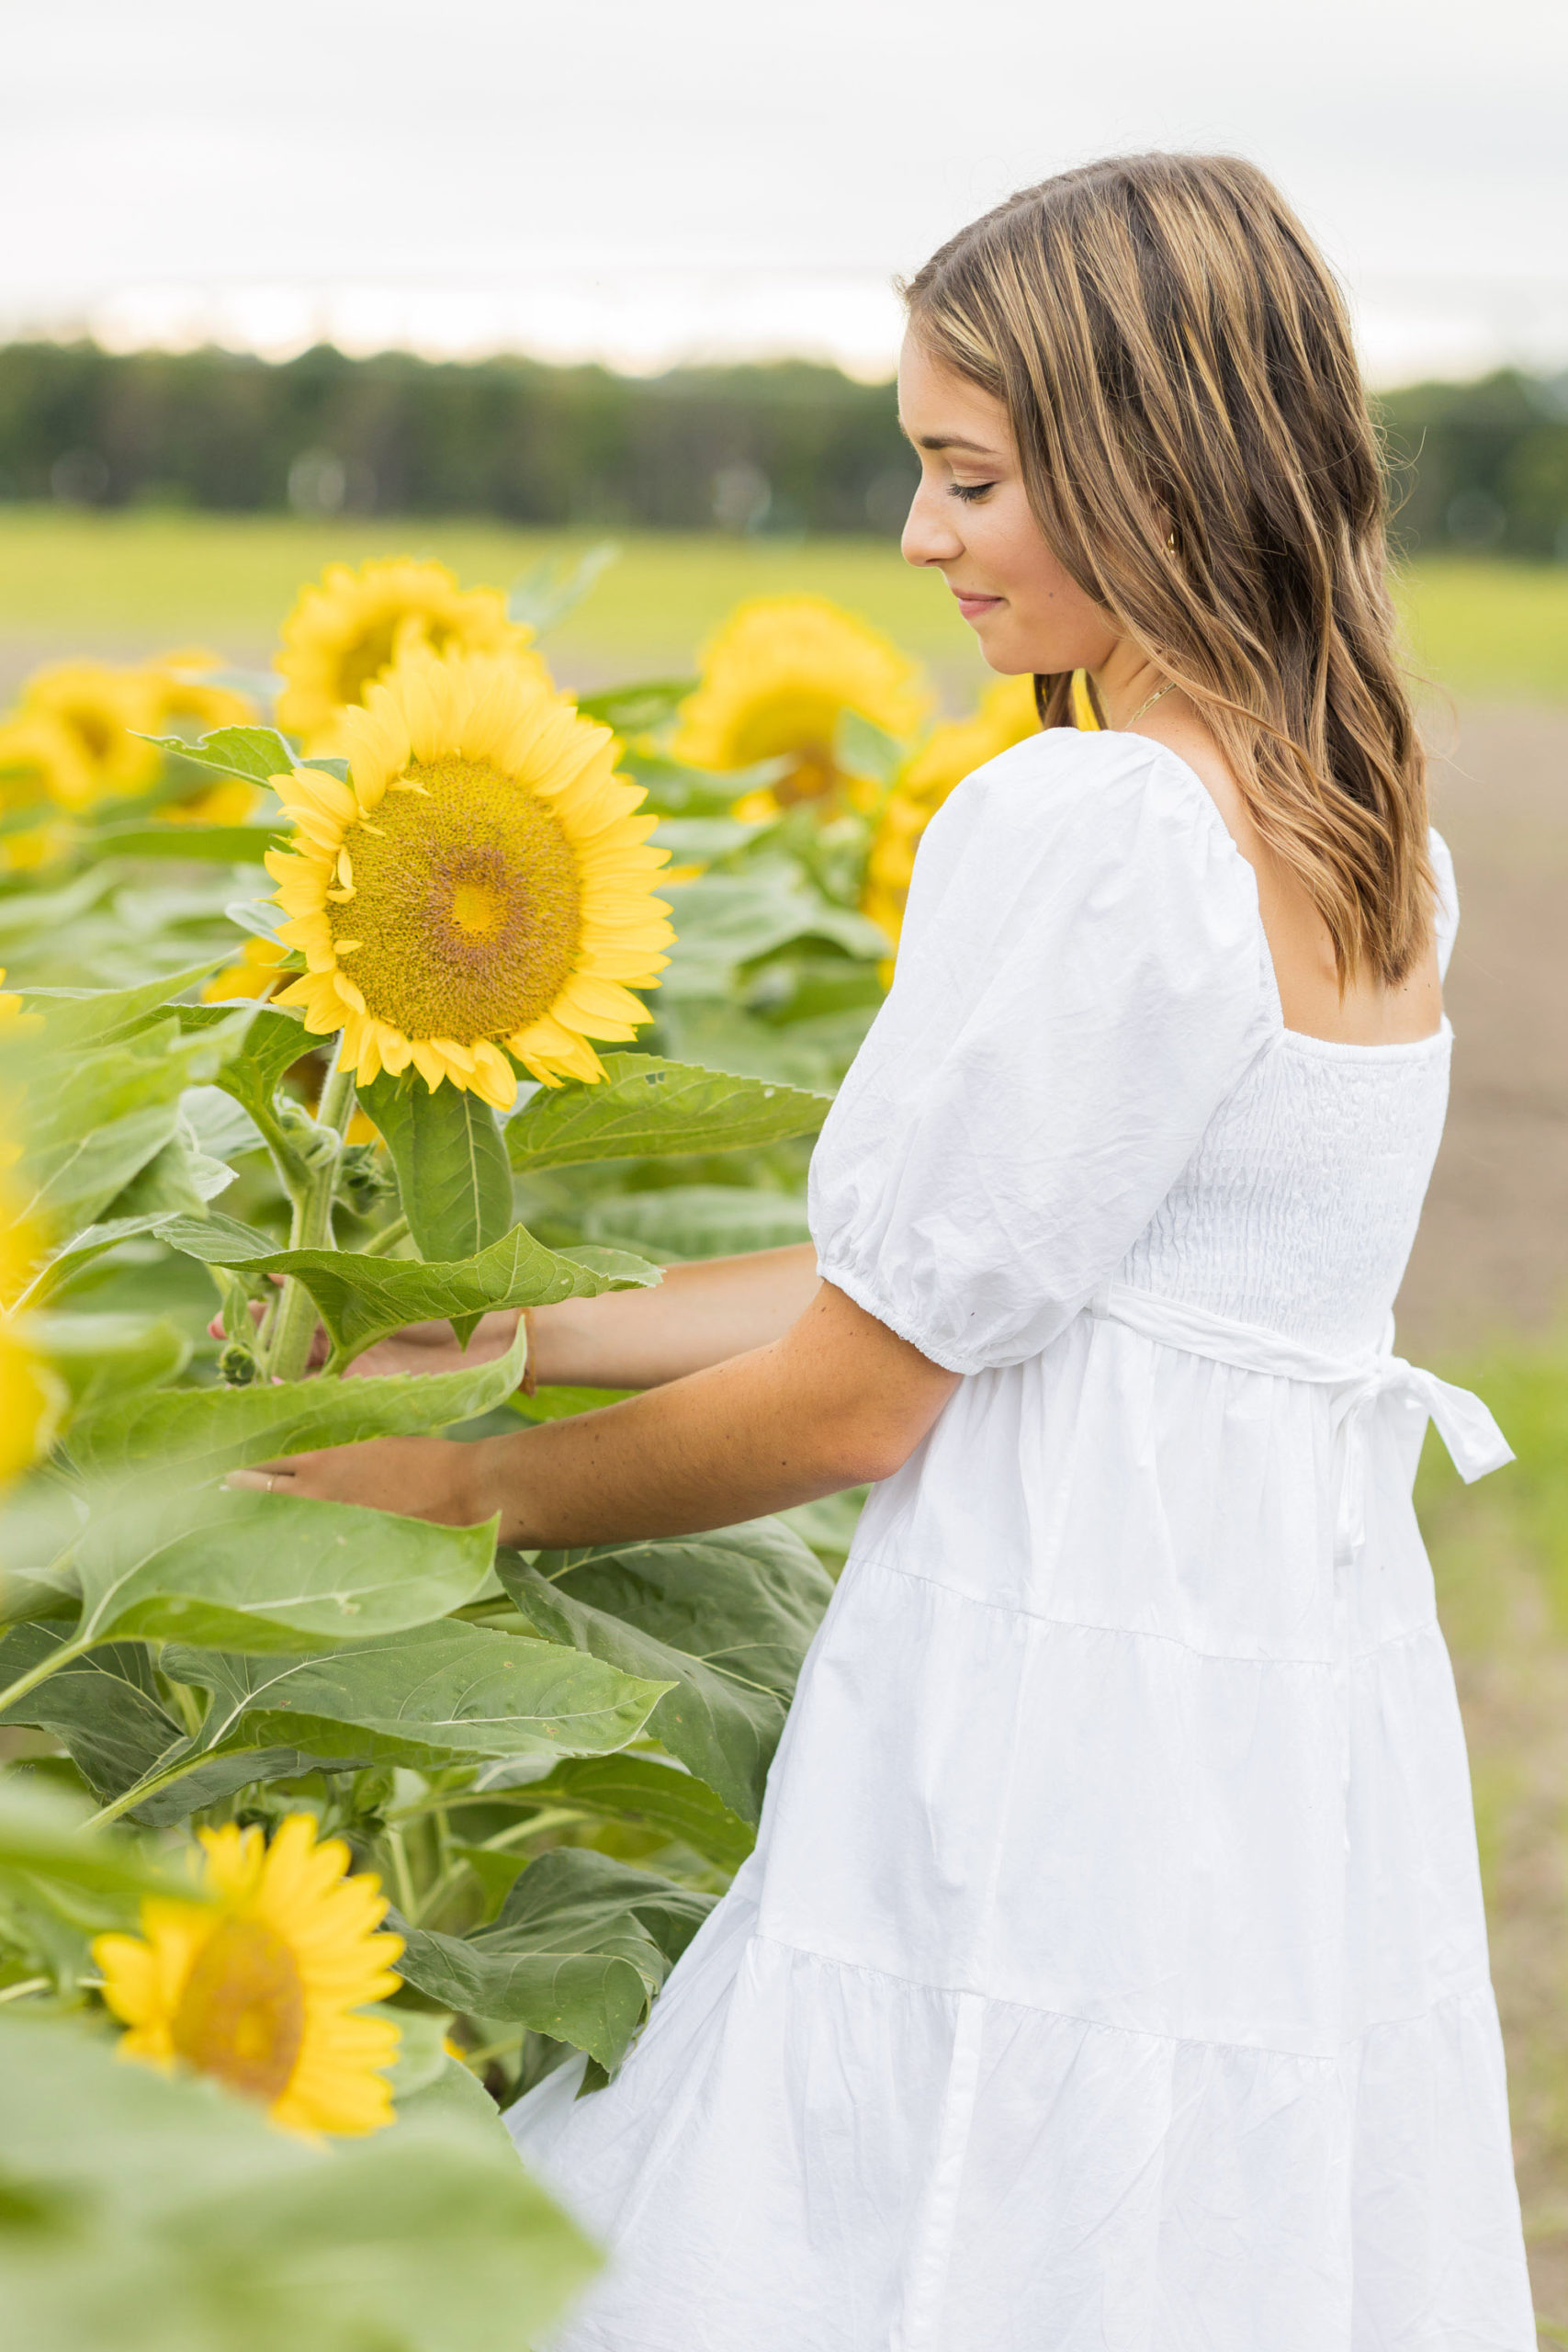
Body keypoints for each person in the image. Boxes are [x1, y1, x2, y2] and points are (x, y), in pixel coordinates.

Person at [233, 153, 1535, 2348]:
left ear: (1159, 460)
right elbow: (977, 1280)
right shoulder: (1361, 824)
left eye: (967, 475)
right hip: (1267, 1696)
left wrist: (464, 1487)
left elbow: (862, 1391)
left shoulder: (1098, 820)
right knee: (1180, 2228)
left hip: (1052, 1681)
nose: (919, 538)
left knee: (883, 2222)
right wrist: (518, 1335)